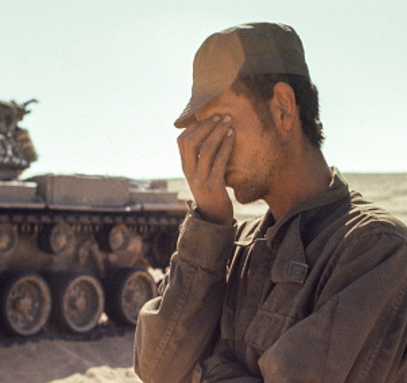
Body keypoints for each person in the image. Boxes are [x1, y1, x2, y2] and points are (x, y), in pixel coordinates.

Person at [134, 22, 407, 383]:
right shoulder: (232, 248)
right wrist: (210, 221)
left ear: (282, 107)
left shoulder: (374, 251)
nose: (204, 145)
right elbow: (157, 367)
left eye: (219, 121)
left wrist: (204, 369)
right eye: (199, 128)